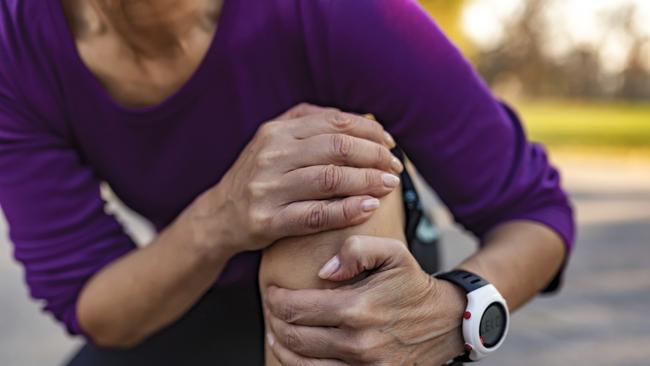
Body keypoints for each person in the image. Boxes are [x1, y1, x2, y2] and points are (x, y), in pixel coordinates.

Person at [0, 0, 574, 365]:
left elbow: (533, 212)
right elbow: (95, 302)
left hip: (355, 269)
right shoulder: (17, 48)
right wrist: (224, 216)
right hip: (197, 283)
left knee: (318, 162)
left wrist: (453, 314)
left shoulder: (342, 13)